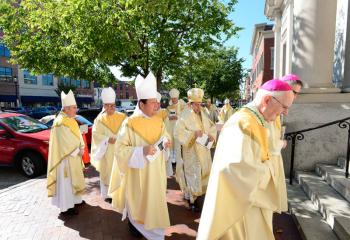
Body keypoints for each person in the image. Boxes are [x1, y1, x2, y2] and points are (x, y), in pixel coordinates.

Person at [197, 80, 294, 240]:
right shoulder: (242, 123)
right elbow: (236, 171)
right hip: (239, 209)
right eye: (284, 106)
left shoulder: (257, 120)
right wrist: (270, 171)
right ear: (267, 100)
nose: (286, 112)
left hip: (253, 201)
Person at [108, 72, 171, 240]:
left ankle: (154, 230)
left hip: (156, 174)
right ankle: (135, 224)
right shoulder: (129, 124)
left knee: (155, 203)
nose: (156, 106)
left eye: (157, 102)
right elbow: (120, 151)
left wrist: (166, 143)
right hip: (138, 175)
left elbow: (166, 137)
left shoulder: (158, 121)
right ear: (141, 104)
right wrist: (141, 151)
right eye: (152, 103)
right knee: (139, 204)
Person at [174, 88, 217, 212]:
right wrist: (193, 134)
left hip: (204, 149)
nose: (198, 106)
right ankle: (192, 200)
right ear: (190, 103)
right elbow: (178, 132)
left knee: (203, 172)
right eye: (196, 104)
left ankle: (201, 196)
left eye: (200, 104)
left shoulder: (203, 113)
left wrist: (211, 136)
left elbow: (212, 126)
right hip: (191, 152)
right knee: (193, 174)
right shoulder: (184, 115)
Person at [47, 90, 86, 215]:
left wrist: (81, 146)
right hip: (65, 159)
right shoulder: (60, 122)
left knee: (74, 180)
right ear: (67, 108)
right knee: (66, 183)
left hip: (74, 156)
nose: (76, 110)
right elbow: (65, 143)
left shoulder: (71, 119)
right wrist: (78, 150)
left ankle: (76, 200)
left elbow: (77, 136)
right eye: (74, 107)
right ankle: (66, 207)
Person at [90, 87, 126, 202]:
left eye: (113, 105)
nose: (111, 108)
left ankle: (121, 192)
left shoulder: (122, 117)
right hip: (107, 151)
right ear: (104, 106)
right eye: (108, 106)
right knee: (108, 171)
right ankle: (108, 195)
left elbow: (128, 131)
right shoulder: (99, 120)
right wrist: (106, 139)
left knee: (120, 171)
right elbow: (95, 135)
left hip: (120, 150)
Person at [166, 88, 186, 165]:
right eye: (172, 98)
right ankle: (172, 159)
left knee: (178, 143)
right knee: (172, 142)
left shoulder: (182, 105)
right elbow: (167, 116)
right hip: (171, 126)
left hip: (179, 126)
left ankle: (178, 159)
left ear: (177, 98)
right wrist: (169, 117)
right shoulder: (169, 107)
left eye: (175, 98)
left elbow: (185, 114)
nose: (173, 100)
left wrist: (178, 117)